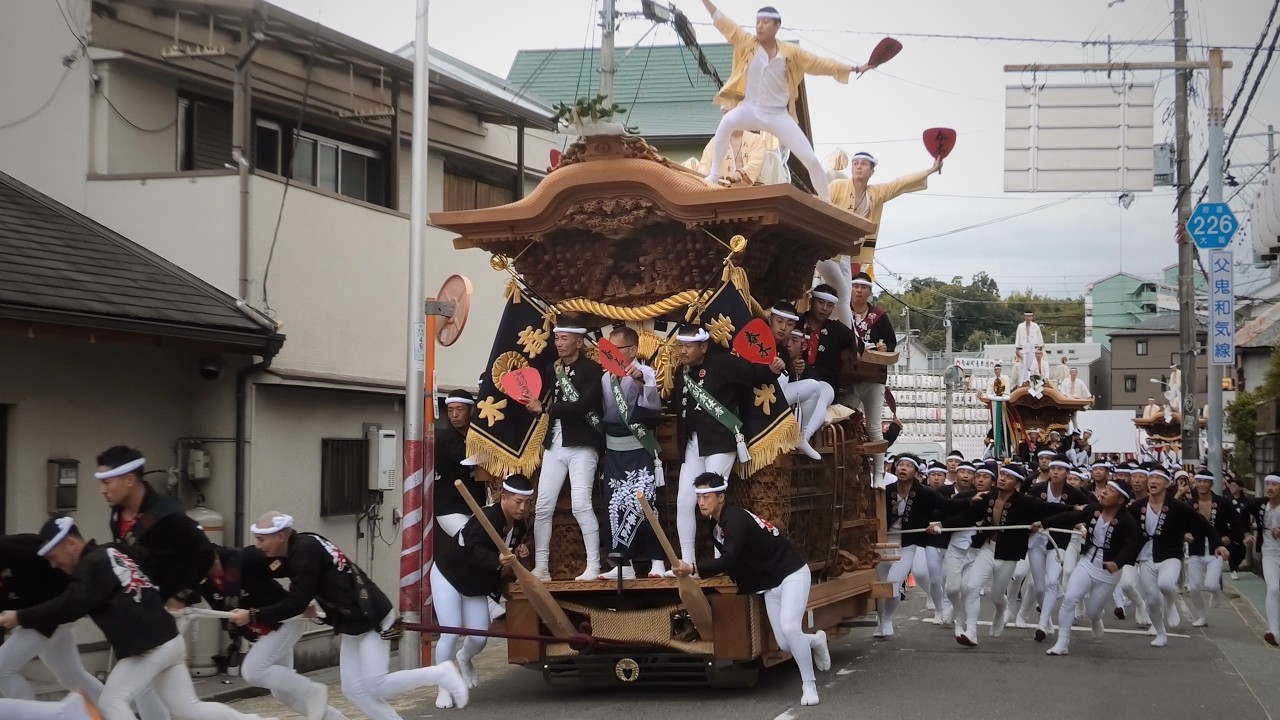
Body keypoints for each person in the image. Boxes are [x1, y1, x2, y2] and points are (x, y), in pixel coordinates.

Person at [0, 517, 271, 720]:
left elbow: (68, 606)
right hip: (168, 640)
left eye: (53, 556)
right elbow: (149, 560)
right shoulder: (113, 551)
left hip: (149, 647)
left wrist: (19, 616)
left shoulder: (90, 568)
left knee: (112, 701)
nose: (52, 564)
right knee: (187, 708)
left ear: (70, 544)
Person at [232, 512, 469, 717]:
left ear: (281, 535)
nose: (259, 545)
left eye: (262, 539)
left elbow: (295, 602)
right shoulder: (302, 545)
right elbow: (302, 585)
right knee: (353, 689)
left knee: (376, 684)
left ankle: (441, 673)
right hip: (354, 622)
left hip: (373, 617)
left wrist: (253, 615)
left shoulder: (303, 552)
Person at [672, 473, 831, 706]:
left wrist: (692, 567)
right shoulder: (717, 525)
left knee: (789, 627)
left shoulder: (734, 520)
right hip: (768, 584)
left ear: (721, 497)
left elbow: (729, 559)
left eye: (707, 496)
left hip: (791, 573)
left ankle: (809, 685)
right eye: (698, 497)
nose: (702, 502)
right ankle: (816, 640)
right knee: (786, 643)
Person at [699, 1, 869, 202]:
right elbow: (724, 23)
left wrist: (855, 69)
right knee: (727, 122)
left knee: (811, 158)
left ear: (776, 26)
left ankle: (825, 200)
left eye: (765, 22)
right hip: (750, 108)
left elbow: (820, 63)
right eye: (757, 22)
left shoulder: (790, 53)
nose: (759, 26)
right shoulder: (747, 43)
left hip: (778, 115)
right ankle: (714, 174)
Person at [670, 323, 786, 566]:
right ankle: (686, 562)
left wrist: (772, 369)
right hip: (693, 443)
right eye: (681, 346)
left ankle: (720, 561)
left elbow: (752, 374)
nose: (683, 351)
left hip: (720, 442)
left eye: (688, 346)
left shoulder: (723, 363)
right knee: (684, 500)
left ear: (703, 346)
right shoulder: (681, 373)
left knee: (713, 501)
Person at [198, 544, 344, 720]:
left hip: (284, 621)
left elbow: (295, 568)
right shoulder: (201, 580)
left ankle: (312, 691)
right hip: (261, 632)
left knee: (253, 670)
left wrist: (306, 599)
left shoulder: (245, 559)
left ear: (212, 556)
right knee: (284, 694)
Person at [431, 475, 533, 708]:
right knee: (450, 632)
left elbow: (512, 549)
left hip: (475, 584)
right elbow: (475, 548)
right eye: (518, 502)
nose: (522, 507)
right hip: (449, 574)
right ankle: (443, 687)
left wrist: (520, 550)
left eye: (527, 502)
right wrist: (498, 558)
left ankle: (464, 659)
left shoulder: (519, 525)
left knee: (479, 637)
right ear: (503, 497)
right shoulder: (486, 517)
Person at [931, 463, 1058, 646]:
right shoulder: (988, 498)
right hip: (987, 549)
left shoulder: (1026, 502)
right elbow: (968, 517)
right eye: (1002, 474)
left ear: (1017, 483)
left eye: (1008, 476)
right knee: (972, 588)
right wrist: (941, 526)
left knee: (997, 596)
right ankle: (971, 632)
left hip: (1008, 555)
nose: (1003, 478)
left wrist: (1075, 511)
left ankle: (1001, 609)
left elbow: (1052, 509)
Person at [821, 152, 943, 325]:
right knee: (841, 292)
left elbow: (899, 184)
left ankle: (839, 331)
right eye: (855, 163)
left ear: (872, 171)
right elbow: (821, 204)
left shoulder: (875, 193)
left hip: (846, 253)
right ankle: (849, 335)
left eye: (864, 164)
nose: (859, 167)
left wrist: (930, 170)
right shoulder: (838, 185)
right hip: (826, 249)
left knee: (844, 295)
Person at [524, 321, 605, 582]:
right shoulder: (552, 369)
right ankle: (541, 567)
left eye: (564, 338)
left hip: (582, 444)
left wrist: (546, 409)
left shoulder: (592, 370)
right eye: (557, 338)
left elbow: (584, 405)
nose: (558, 343)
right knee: (542, 505)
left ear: (579, 342)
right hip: (555, 444)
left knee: (581, 505)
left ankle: (593, 566)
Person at [98, 446, 214, 617]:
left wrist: (179, 597)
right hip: (138, 605)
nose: (103, 490)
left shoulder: (167, 514)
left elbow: (205, 554)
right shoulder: (117, 513)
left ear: (130, 480)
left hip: (167, 609)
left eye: (107, 482)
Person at [1037, 478, 1144, 656]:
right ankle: (1062, 643)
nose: (1103, 492)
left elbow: (1131, 546)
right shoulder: (1093, 510)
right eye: (1105, 489)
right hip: (1087, 562)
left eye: (1110, 491)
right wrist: (1043, 523)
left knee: (1094, 610)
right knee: (1069, 599)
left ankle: (1096, 618)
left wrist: (1117, 563)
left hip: (1109, 571)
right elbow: (1070, 517)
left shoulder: (1127, 521)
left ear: (1120, 500)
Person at [0, 533, 104, 710]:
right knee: (70, 676)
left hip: (55, 608)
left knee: (2, 668)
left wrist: (74, 597)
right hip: (38, 616)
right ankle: (115, 711)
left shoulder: (13, 548)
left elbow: (48, 551)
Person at [597, 326, 668, 579]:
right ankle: (622, 564)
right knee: (615, 505)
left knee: (644, 503)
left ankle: (657, 560)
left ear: (633, 350)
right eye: (609, 350)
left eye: (617, 350)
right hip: (615, 451)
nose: (612, 355)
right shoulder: (605, 377)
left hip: (640, 447)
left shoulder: (644, 371)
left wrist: (640, 381)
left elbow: (653, 405)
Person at [1131, 465, 1226, 648]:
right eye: (1151, 478)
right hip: (1145, 557)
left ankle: (1170, 602)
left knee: (1166, 584)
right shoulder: (1138, 507)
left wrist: (1219, 544)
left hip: (1170, 555)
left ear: (1167, 484)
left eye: (1158, 478)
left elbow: (1203, 524)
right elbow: (1124, 527)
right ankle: (1160, 633)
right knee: (1151, 599)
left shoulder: (1178, 507)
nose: (1153, 482)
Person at [1018, 454, 1092, 637]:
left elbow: (1089, 510)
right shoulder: (1037, 489)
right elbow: (1024, 508)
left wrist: (1083, 525)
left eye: (1060, 469)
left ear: (1067, 472)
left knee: (1052, 581)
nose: (1055, 472)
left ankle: (1042, 624)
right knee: (1039, 586)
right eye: (1053, 468)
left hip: (1059, 542)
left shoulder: (1075, 494)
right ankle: (1046, 618)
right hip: (1036, 540)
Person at [878, 455, 950, 637]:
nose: (902, 468)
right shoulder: (885, 491)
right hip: (882, 542)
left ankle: (887, 619)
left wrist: (971, 503)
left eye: (908, 466)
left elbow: (948, 505)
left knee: (893, 585)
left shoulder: (924, 493)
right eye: (900, 465)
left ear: (917, 473)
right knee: (878, 586)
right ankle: (880, 620)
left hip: (906, 544)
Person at [768, 302, 834, 460]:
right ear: (770, 320)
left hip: (775, 395)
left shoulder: (783, 352)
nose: (783, 327)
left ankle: (800, 435)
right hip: (757, 396)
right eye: (779, 322)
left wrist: (792, 369)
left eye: (789, 324)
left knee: (815, 387)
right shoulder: (760, 340)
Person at [845, 272, 894, 478]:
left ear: (870, 292)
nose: (859, 290)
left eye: (864, 287)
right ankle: (850, 470)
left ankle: (878, 473)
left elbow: (891, 343)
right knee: (845, 422)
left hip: (873, 377)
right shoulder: (842, 311)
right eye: (855, 286)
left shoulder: (879, 316)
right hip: (848, 376)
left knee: (874, 426)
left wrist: (884, 348)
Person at [1186, 468, 1243, 627]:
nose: (1202, 484)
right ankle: (1201, 616)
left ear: (1211, 483)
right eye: (1199, 481)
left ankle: (1216, 592)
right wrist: (1185, 535)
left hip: (1216, 549)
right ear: (1195, 483)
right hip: (1195, 550)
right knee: (1194, 587)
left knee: (1210, 584)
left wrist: (1229, 538)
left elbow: (1236, 523)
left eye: (1205, 481)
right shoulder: (1190, 504)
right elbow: (1180, 524)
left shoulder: (1223, 502)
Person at [435, 390, 486, 539]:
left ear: (471, 410)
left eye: (460, 409)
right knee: (469, 541)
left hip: (476, 506)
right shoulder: (446, 438)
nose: (454, 415)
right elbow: (468, 457)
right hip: (450, 508)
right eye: (450, 410)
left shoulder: (477, 435)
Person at [1242, 474, 1280, 646]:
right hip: (1269, 552)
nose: (1269, 487)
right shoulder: (1260, 504)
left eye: (1274, 484)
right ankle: (1273, 630)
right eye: (1267, 484)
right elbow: (1243, 512)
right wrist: (1247, 533)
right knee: (1273, 588)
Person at [696, 128, 767, 187]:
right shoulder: (715, 142)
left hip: (752, 192)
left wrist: (741, 173)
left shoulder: (756, 139)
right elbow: (704, 168)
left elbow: (756, 163)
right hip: (721, 192)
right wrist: (707, 179)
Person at [1224, 475, 1250, 579]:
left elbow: (1249, 513)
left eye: (1234, 485)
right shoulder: (1227, 501)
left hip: (1243, 529)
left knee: (1242, 551)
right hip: (1230, 529)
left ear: (1239, 488)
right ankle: (1233, 569)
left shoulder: (1246, 501)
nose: (1231, 487)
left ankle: (1235, 566)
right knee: (1231, 549)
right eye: (1230, 485)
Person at [1014, 312, 1043, 385]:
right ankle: (1023, 381)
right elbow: (1018, 336)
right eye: (1027, 316)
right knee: (1023, 364)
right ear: (1024, 317)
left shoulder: (1035, 326)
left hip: (1033, 346)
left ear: (1032, 317)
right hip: (1023, 346)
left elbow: (1039, 337)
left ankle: (1034, 382)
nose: (1028, 318)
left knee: (1034, 364)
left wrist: (1040, 347)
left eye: (1030, 316)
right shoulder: (1020, 326)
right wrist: (1017, 348)